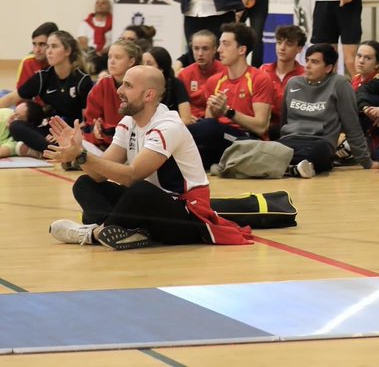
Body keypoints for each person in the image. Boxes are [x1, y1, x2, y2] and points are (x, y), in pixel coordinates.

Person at [45, 65, 251, 250]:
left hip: (186, 218)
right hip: (150, 209)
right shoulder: (129, 122)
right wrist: (78, 154)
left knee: (139, 188)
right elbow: (99, 175)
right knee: (84, 184)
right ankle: (125, 233)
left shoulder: (168, 126)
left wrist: (83, 155)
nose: (119, 91)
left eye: (127, 86)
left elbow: (132, 176)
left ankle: (94, 233)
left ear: (148, 95)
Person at [276, 44, 371, 177]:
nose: (307, 66)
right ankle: (294, 168)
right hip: (290, 140)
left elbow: (352, 126)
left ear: (328, 68)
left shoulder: (339, 84)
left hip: (319, 143)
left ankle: (282, 165)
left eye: (314, 62)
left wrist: (366, 162)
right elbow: (284, 121)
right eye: (307, 60)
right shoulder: (293, 83)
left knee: (316, 152)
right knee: (266, 149)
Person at [186, 24, 273, 168]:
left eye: (225, 44)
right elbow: (209, 121)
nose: (219, 49)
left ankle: (166, 136)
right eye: (220, 44)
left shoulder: (259, 78)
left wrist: (228, 112)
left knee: (209, 128)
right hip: (219, 139)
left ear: (242, 50)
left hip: (247, 140)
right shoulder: (215, 81)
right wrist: (215, 111)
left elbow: (261, 127)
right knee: (184, 158)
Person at [10, 30, 93, 156]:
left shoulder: (82, 80)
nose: (48, 51)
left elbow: (86, 121)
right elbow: (12, 97)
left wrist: (69, 134)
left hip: (73, 134)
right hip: (50, 131)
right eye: (47, 46)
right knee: (16, 126)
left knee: (77, 142)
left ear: (67, 51)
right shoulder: (43, 77)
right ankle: (55, 151)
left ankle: (52, 151)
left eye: (54, 46)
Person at [83, 39, 141, 148]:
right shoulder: (101, 86)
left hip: (136, 144)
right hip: (105, 145)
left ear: (131, 61)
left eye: (118, 57)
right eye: (110, 57)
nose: (112, 61)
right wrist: (95, 132)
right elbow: (90, 122)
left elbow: (140, 126)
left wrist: (106, 129)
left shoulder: (141, 85)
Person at [261, 24, 307, 138]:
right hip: (263, 128)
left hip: (293, 130)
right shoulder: (263, 70)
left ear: (299, 48)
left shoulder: (305, 76)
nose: (282, 47)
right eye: (279, 42)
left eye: (289, 44)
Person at [0, 22, 57, 109]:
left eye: (42, 44)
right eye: (34, 44)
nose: (37, 50)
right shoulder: (28, 62)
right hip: (28, 108)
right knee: (3, 93)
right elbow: (20, 98)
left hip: (48, 111)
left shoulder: (59, 64)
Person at [176, 30, 227, 122]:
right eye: (196, 48)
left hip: (216, 121)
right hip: (190, 120)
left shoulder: (226, 71)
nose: (200, 54)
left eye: (205, 49)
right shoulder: (184, 74)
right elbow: (177, 103)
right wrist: (185, 116)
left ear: (215, 50)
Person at [142, 46, 194, 125]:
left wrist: (158, 126)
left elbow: (186, 119)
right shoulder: (139, 84)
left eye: (149, 64)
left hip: (168, 130)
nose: (143, 67)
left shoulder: (176, 84)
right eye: (142, 63)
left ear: (161, 68)